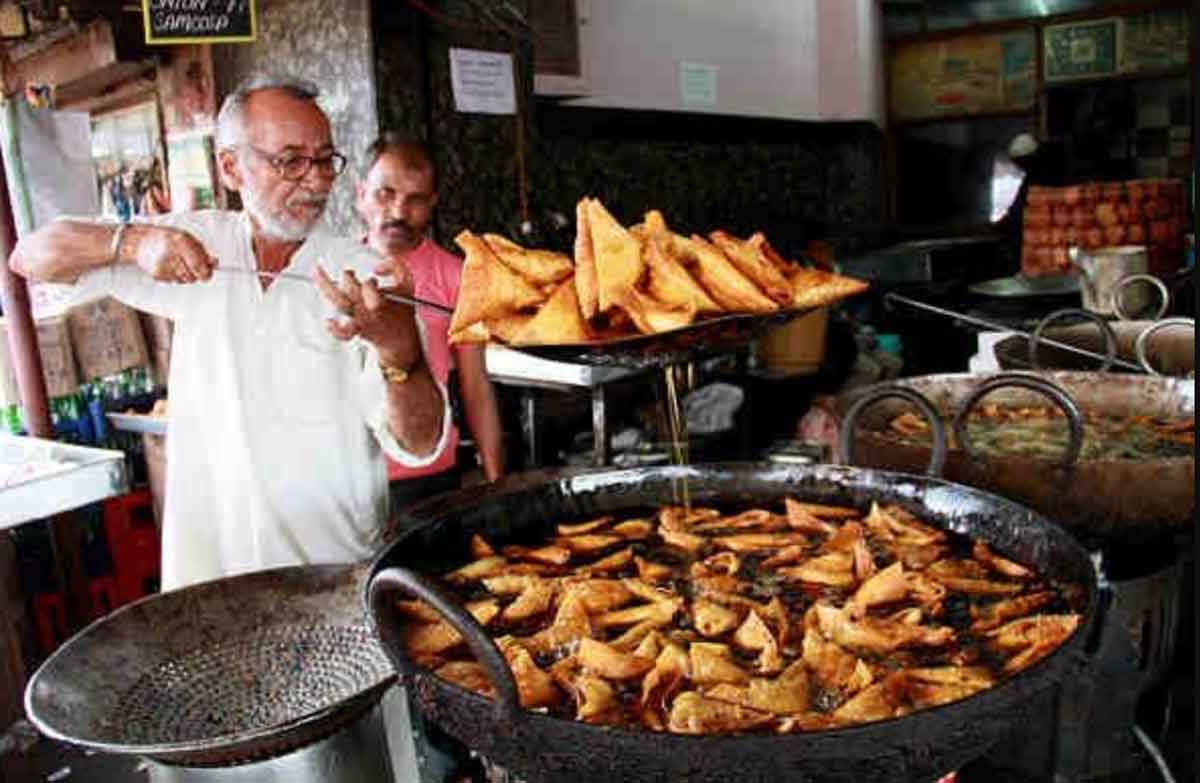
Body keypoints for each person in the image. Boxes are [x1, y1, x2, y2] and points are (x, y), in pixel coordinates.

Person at [8, 74, 450, 591]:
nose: (315, 181)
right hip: (210, 574)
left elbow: (420, 442)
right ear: (232, 166)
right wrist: (133, 242)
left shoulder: (362, 276)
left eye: (325, 159)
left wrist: (400, 349)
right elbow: (31, 256)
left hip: (332, 576)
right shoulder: (195, 242)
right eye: (290, 161)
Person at [356, 135, 505, 520]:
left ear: (433, 204)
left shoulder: (458, 277)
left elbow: (476, 385)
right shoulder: (335, 271)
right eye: (384, 194)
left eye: (416, 199)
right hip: (350, 472)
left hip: (429, 472)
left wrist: (495, 483)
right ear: (360, 194)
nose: (399, 211)